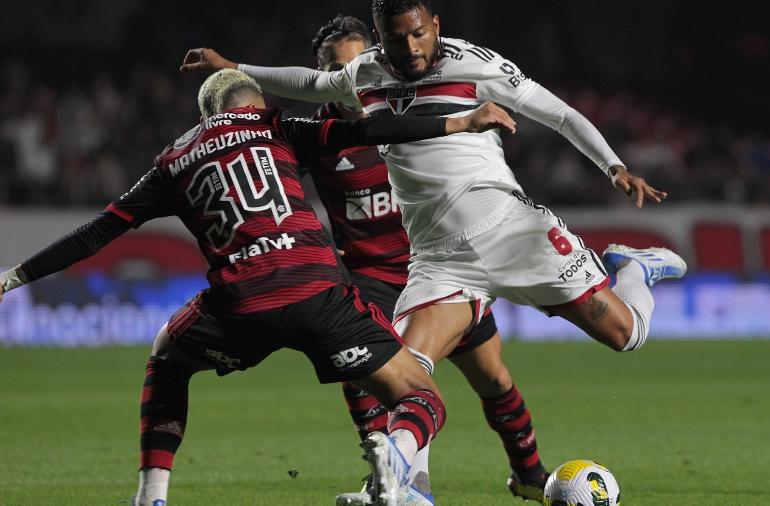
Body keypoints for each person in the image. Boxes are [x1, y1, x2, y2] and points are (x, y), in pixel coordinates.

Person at [181, 1, 687, 503]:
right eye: (398, 38)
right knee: (405, 374)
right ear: (382, 35)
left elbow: (557, 113)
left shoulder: (476, 65)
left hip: (511, 232)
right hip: (439, 260)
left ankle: (631, 266)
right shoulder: (366, 74)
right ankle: (405, 484)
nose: (411, 47)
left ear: (435, 26)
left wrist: (614, 167)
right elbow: (309, 84)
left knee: (626, 335)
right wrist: (235, 69)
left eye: (419, 34)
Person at [0, 69, 516, 506]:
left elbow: (96, 233)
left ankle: (151, 494)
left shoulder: (173, 160)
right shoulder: (276, 126)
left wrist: (15, 276)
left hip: (240, 305)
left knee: (166, 356)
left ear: (207, 115)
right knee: (423, 397)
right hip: (318, 291)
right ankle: (397, 454)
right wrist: (460, 121)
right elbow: (371, 130)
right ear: (256, 102)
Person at [299, 15, 550, 505]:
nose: (349, 77)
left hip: (438, 268)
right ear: (324, 74)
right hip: (371, 276)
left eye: (355, 62)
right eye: (336, 68)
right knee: (369, 374)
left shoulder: (412, 113)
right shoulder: (315, 136)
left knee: (494, 377)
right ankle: (401, 486)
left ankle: (529, 474)